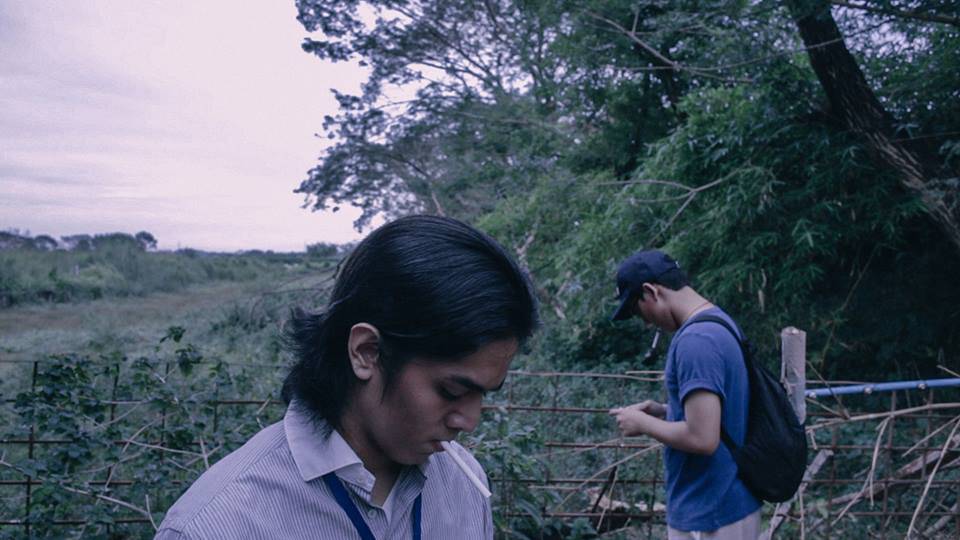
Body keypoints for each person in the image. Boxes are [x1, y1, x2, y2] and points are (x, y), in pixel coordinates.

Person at [155, 215, 539, 540]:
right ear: (366, 351)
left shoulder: (463, 487)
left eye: (484, 395)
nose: (469, 421)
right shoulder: (217, 525)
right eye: (451, 390)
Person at [607, 249, 761, 539]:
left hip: (711, 512)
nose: (646, 322)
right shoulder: (719, 323)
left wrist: (643, 424)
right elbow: (722, 414)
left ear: (652, 291)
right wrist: (666, 411)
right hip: (726, 501)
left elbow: (703, 438)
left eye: (638, 311)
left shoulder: (696, 341)